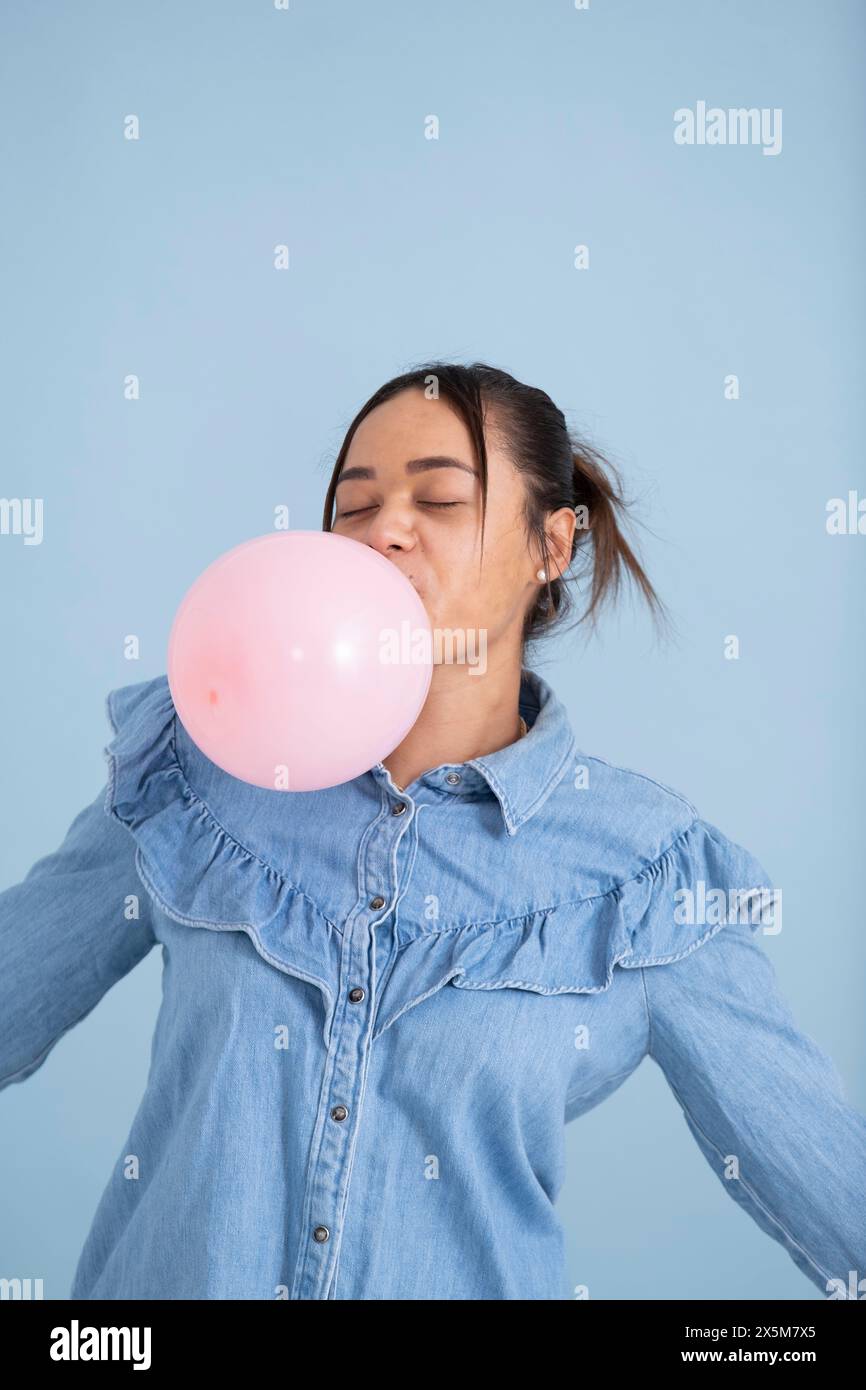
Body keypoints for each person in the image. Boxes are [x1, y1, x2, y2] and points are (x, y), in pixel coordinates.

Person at [2, 361, 864, 1301]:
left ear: (552, 544)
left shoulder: (648, 869)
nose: (385, 533)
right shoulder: (200, 767)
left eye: (442, 499)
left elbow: (834, 1200)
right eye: (353, 506)